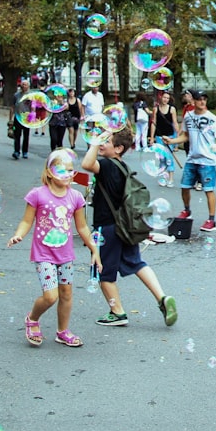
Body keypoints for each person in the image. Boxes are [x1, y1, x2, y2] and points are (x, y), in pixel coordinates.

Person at [80, 127, 178, 328]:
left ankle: (117, 312)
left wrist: (94, 142)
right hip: (125, 226)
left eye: (106, 141)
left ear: (118, 148)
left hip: (107, 228)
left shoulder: (107, 165)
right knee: (136, 263)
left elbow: (86, 164)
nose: (101, 143)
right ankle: (162, 297)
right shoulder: (123, 167)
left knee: (103, 272)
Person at [7, 148, 101, 348]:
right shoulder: (37, 195)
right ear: (50, 172)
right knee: (51, 296)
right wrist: (19, 235)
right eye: (62, 170)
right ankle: (32, 319)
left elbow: (82, 227)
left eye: (70, 170)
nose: (68, 174)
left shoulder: (75, 197)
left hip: (65, 255)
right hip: (44, 254)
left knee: (66, 294)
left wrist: (94, 249)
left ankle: (62, 331)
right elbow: (27, 221)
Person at [163, 89, 216, 232]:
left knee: (208, 190)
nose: (202, 102)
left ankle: (211, 220)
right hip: (192, 159)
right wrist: (172, 141)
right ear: (193, 101)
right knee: (185, 187)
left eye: (204, 99)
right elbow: (186, 136)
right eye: (199, 99)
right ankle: (187, 210)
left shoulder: (212, 118)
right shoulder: (188, 116)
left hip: (207, 161)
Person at [148, 90, 179, 187]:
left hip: (170, 136)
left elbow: (175, 123)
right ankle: (163, 177)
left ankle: (171, 178)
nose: (166, 99)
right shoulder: (156, 109)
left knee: (169, 157)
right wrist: (152, 137)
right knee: (162, 158)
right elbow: (154, 123)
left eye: (167, 98)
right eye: (164, 97)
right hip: (159, 137)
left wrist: (177, 137)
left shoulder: (172, 109)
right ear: (160, 97)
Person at [9, 80, 31, 159]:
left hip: (26, 118)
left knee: (26, 135)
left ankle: (25, 151)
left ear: (28, 86)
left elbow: (33, 107)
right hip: (17, 117)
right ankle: (16, 151)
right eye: (23, 84)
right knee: (17, 135)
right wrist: (10, 119)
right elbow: (12, 107)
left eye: (25, 84)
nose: (24, 86)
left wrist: (32, 117)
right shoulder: (16, 95)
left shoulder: (30, 96)